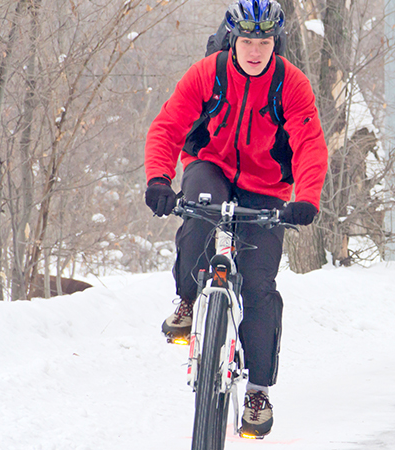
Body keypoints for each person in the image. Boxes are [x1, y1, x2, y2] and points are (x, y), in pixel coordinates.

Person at [143, 0, 328, 437]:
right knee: (199, 217)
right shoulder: (208, 73)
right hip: (212, 165)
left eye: (264, 42)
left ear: (275, 43)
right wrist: (158, 179)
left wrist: (307, 198)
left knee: (261, 286)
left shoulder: (292, 84)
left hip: (267, 188)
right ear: (232, 39)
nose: (255, 50)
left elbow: (309, 144)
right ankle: (188, 300)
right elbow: (168, 127)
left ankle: (258, 391)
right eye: (247, 40)